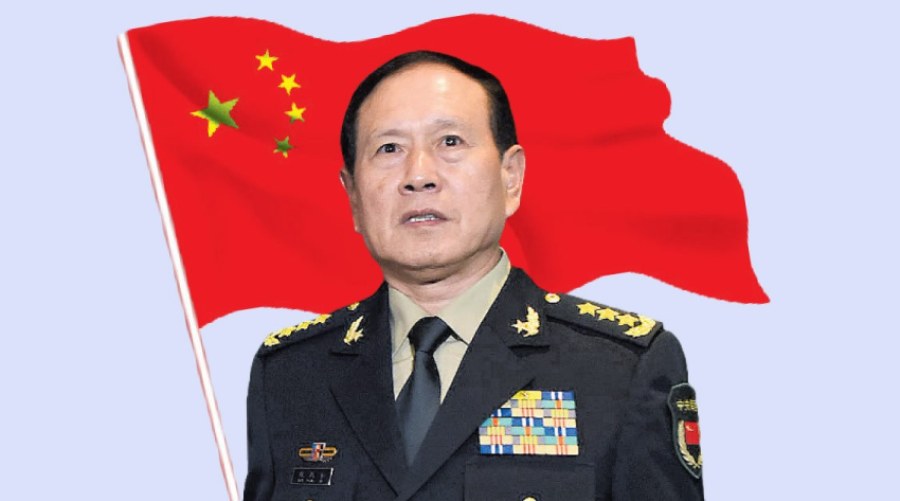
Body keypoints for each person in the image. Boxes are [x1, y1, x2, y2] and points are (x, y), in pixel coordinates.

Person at [244, 50, 704, 501]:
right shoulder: (290, 374)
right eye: (389, 148)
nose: (419, 175)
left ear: (511, 177)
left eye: (450, 142)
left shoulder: (619, 367)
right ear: (353, 198)